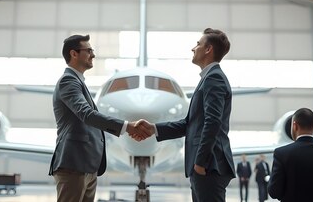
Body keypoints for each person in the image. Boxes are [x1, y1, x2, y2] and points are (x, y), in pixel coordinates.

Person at [138, 28, 235, 202]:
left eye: (198, 44)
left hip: (208, 165)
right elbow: (191, 124)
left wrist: (200, 163)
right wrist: (154, 128)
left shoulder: (214, 79)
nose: (193, 48)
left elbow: (212, 123)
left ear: (208, 49)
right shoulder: (208, 78)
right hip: (206, 166)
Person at [49, 34, 149, 202]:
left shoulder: (79, 82)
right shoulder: (68, 81)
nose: (93, 55)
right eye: (88, 50)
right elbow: (87, 114)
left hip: (87, 166)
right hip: (74, 165)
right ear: (74, 54)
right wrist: (127, 126)